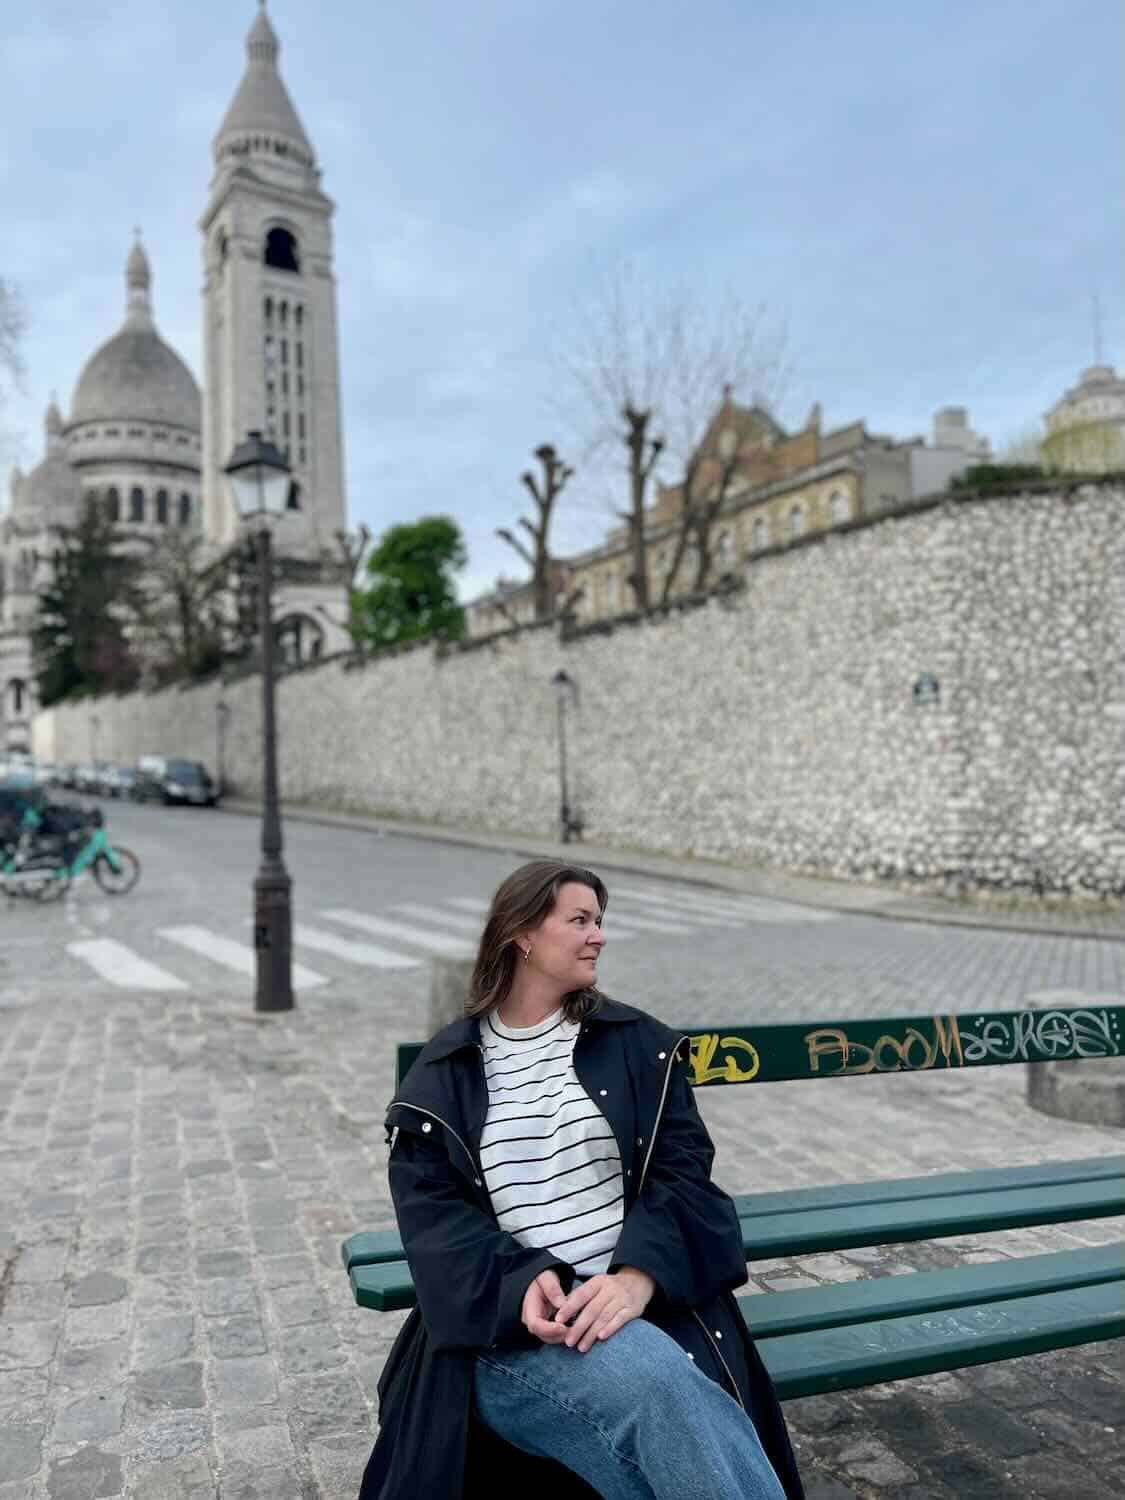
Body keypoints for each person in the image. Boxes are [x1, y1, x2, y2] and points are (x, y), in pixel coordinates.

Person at [359, 859, 805, 1500]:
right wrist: (520, 1283)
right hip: (509, 1330)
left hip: (631, 1304)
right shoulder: (447, 1073)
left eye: (599, 921)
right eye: (579, 920)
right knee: (658, 1384)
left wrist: (636, 1276)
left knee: (651, 1421)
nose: (597, 935)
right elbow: (432, 1219)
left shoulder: (636, 1044)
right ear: (522, 934)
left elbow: (685, 1177)